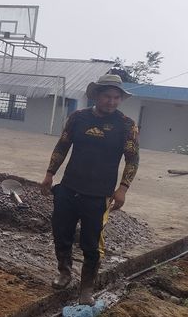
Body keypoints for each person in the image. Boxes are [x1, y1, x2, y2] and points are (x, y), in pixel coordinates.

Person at [41, 73, 140, 304]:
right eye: (107, 96)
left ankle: (86, 288)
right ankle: (64, 272)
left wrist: (123, 189)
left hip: (99, 195)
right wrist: (49, 174)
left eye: (116, 97)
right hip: (68, 188)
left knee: (92, 243)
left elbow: (132, 159)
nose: (112, 102)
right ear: (96, 95)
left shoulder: (126, 125)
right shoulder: (78, 118)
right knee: (61, 233)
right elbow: (62, 146)